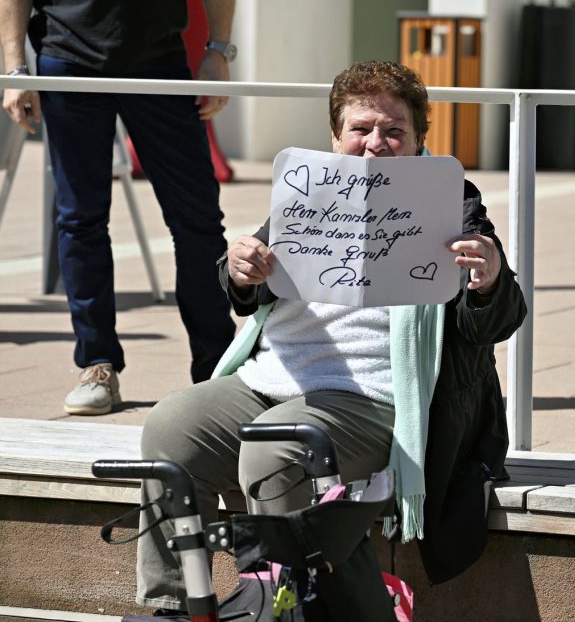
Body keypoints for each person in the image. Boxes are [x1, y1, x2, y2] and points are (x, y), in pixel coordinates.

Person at [134, 60, 528, 611]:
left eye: (394, 131)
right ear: (335, 137)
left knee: (276, 448)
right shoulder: (310, 185)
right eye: (361, 129)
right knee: (171, 428)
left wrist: (487, 278)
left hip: (370, 399)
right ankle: (176, 603)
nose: (376, 144)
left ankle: (285, 604)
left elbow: (495, 319)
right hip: (269, 377)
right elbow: (247, 290)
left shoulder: (450, 200)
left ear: (418, 141)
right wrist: (241, 267)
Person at [0, 0, 238, 414]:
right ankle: (98, 363)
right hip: (67, 65)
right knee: (80, 220)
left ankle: (217, 369)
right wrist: (14, 65)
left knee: (199, 223)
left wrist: (219, 49)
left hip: (161, 64)